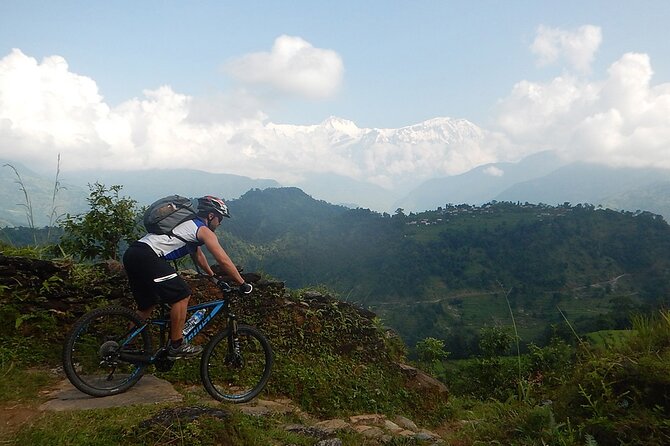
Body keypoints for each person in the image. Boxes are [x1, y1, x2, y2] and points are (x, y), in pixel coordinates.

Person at [122, 195, 251, 359]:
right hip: (149, 257)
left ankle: (126, 344)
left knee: (147, 304)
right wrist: (243, 283)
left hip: (133, 253)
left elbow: (198, 255)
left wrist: (212, 277)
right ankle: (176, 344)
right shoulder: (203, 230)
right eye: (219, 219)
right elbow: (223, 260)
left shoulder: (187, 225)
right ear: (211, 215)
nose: (219, 223)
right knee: (182, 294)